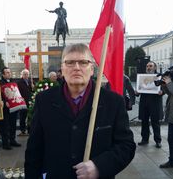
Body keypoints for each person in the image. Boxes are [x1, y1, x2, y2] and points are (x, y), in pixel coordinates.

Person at [25, 43, 136, 179]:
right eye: (70, 62)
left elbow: (126, 146)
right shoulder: (44, 100)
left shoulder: (113, 102)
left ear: (91, 69)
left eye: (83, 62)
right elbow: (34, 150)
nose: (76, 67)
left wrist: (99, 166)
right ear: (62, 68)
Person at [137, 61, 163, 148]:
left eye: (150, 66)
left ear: (155, 67)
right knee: (144, 122)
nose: (148, 67)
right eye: (147, 66)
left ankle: (158, 140)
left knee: (155, 122)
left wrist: (162, 92)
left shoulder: (159, 77)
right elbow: (139, 90)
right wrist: (137, 91)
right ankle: (144, 139)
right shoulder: (142, 77)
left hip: (155, 103)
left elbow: (164, 88)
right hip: (144, 103)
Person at [0, 67, 21, 150]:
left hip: (14, 106)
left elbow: (16, 92)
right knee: (5, 125)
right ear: (3, 74)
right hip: (5, 108)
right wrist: (4, 101)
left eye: (9, 72)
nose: (9, 74)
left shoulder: (13, 82)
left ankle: (12, 140)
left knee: (13, 124)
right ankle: (5, 143)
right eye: (7, 72)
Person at [17, 69, 32, 136]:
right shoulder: (19, 82)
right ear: (22, 75)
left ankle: (29, 130)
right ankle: (22, 130)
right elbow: (17, 92)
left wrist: (32, 87)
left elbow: (32, 91)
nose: (26, 75)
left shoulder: (30, 81)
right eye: (24, 74)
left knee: (29, 116)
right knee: (22, 117)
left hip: (30, 101)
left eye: (27, 74)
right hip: (22, 102)